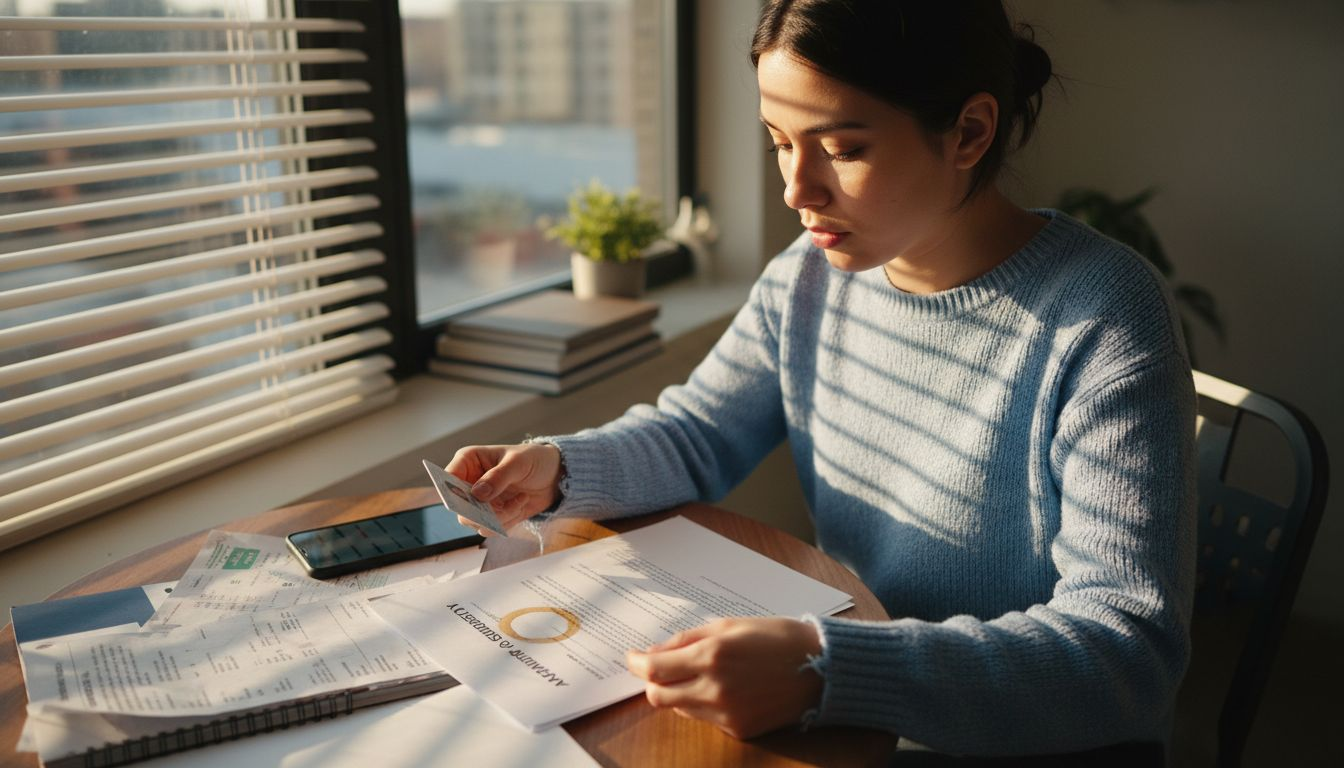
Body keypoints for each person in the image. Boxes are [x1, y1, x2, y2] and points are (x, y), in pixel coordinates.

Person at [446, 0, 1196, 757]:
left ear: (969, 132)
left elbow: (1128, 651)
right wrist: (560, 467)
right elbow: (699, 432)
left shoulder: (1103, 319)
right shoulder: (808, 278)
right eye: (780, 142)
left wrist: (826, 670)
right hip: (850, 707)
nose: (796, 190)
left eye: (841, 148)